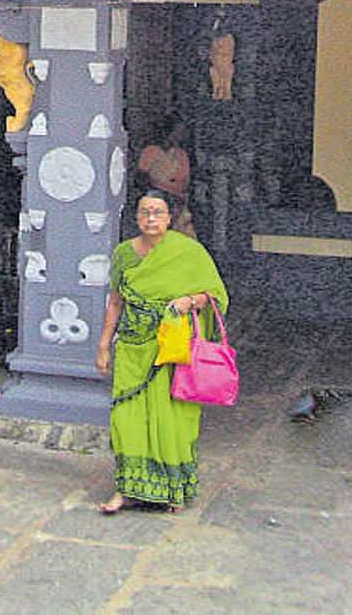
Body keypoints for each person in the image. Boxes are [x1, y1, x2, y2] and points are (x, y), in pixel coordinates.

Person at [95, 189, 228, 514]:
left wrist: (191, 301)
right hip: (132, 346)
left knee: (172, 417)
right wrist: (103, 346)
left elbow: (216, 296)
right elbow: (116, 301)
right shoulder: (125, 254)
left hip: (172, 348)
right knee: (127, 420)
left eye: (157, 212)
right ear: (136, 217)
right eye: (144, 213)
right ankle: (126, 490)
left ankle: (173, 491)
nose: (150, 219)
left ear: (170, 218)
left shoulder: (188, 252)